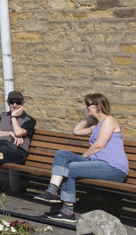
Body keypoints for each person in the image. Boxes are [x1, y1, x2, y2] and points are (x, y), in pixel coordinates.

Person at [33, 93, 129, 225]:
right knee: (62, 153)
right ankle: (52, 190)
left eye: (89, 104)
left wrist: (83, 157)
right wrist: (88, 119)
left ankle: (67, 211)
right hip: (98, 164)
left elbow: (99, 145)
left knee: (70, 169)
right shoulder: (96, 126)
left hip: (113, 168)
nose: (86, 106)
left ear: (99, 106)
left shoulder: (109, 120)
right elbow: (76, 131)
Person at [0, 90, 37, 201]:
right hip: (0, 147)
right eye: (11, 102)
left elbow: (19, 133)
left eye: (17, 102)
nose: (14, 105)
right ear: (7, 102)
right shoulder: (3, 116)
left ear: (23, 103)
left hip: (16, 150)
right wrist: (9, 133)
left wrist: (14, 116)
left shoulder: (30, 120)